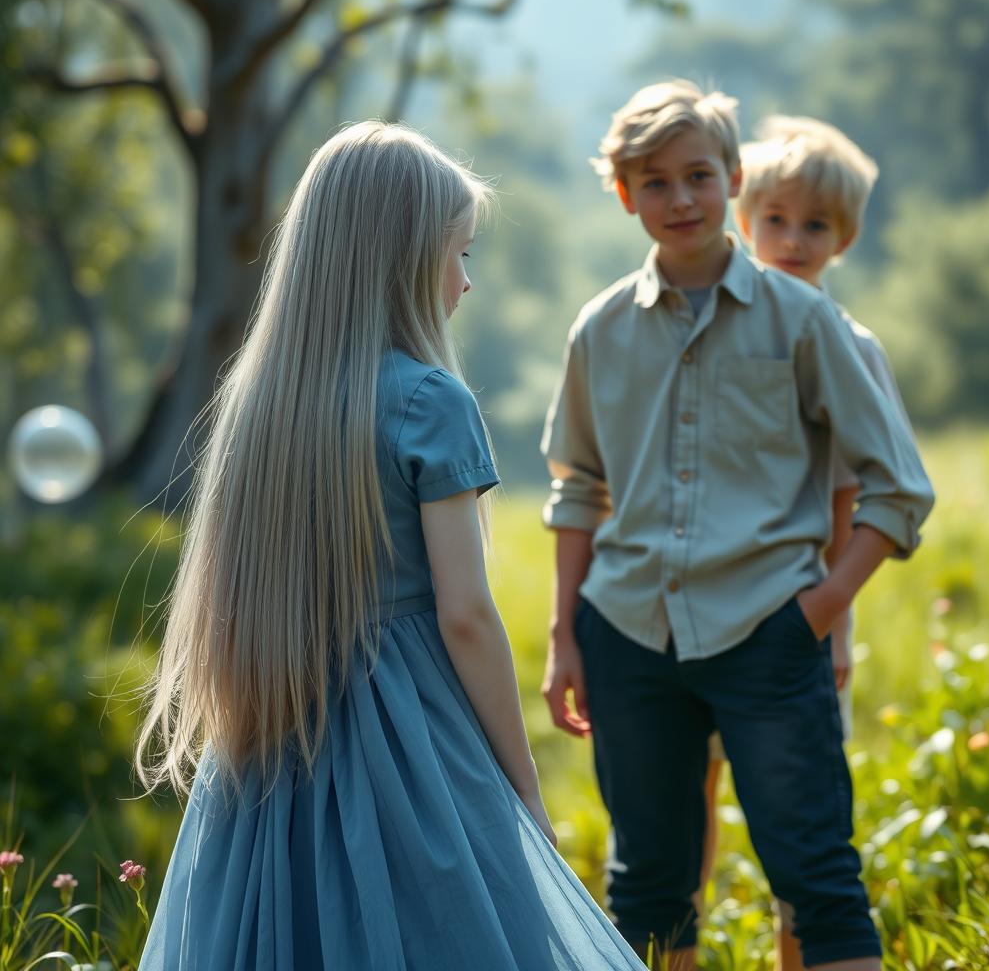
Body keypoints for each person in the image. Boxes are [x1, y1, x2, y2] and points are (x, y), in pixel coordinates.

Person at [134, 121, 647, 971]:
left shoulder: (257, 406)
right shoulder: (430, 401)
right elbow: (468, 617)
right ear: (401, 259)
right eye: (459, 254)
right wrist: (523, 786)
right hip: (412, 742)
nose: (466, 282)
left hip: (271, 733)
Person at [540, 80, 934, 971]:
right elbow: (578, 488)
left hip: (769, 630)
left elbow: (896, 486)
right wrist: (568, 636)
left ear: (733, 177)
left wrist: (820, 610)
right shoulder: (598, 330)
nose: (679, 199)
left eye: (698, 176)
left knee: (819, 878)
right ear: (623, 193)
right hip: (629, 638)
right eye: (653, 183)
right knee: (647, 885)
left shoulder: (804, 321)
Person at [698, 114, 919, 971]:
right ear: (745, 219)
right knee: (684, 815)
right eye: (776, 219)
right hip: (697, 611)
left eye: (816, 225)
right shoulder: (709, 325)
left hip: (804, 616)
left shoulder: (853, 346)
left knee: (801, 826)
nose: (792, 241)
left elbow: (871, 490)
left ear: (846, 236)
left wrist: (827, 619)